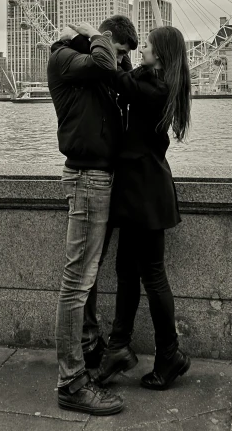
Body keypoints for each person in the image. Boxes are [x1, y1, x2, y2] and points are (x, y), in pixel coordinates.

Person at [70, 23, 192, 391]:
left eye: (149, 46)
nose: (143, 50)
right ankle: (120, 349)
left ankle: (166, 354)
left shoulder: (156, 89)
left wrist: (99, 38)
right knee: (127, 270)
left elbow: (117, 78)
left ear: (162, 53)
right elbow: (124, 76)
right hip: (140, 190)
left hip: (145, 191)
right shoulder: (152, 82)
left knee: (152, 276)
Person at [48, 15, 138, 416]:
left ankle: (88, 347)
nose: (120, 62)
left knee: (87, 277)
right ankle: (71, 382)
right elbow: (104, 64)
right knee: (76, 282)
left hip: (100, 177)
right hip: (86, 179)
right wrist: (98, 37)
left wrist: (116, 53)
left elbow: (121, 80)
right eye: (121, 52)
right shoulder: (66, 59)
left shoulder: (96, 67)